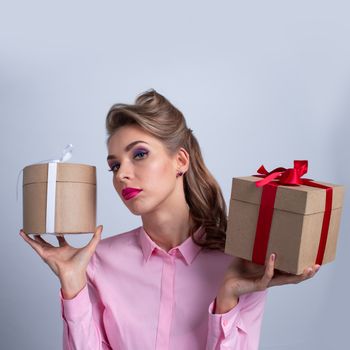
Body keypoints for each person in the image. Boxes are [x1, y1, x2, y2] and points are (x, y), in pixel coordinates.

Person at [20, 89, 320, 350]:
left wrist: (227, 296)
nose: (122, 174)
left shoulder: (239, 261)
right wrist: (73, 285)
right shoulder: (98, 261)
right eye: (114, 166)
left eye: (138, 154)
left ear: (180, 161)